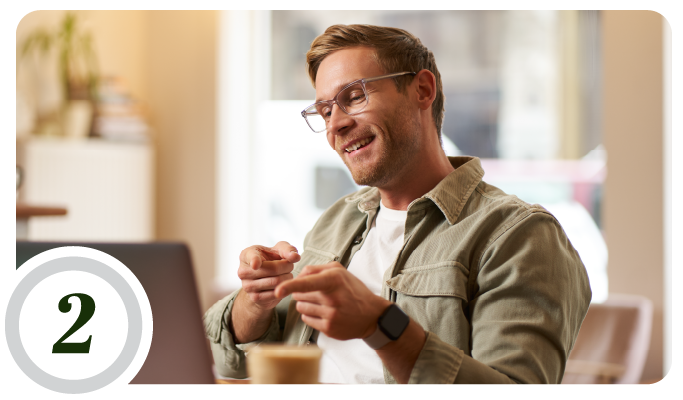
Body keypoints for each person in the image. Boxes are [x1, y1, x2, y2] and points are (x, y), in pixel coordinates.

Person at [204, 24, 591, 385]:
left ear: (422, 90)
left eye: (353, 97)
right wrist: (254, 303)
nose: (335, 124)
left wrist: (381, 324)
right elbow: (229, 363)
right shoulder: (337, 221)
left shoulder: (519, 236)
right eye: (325, 111)